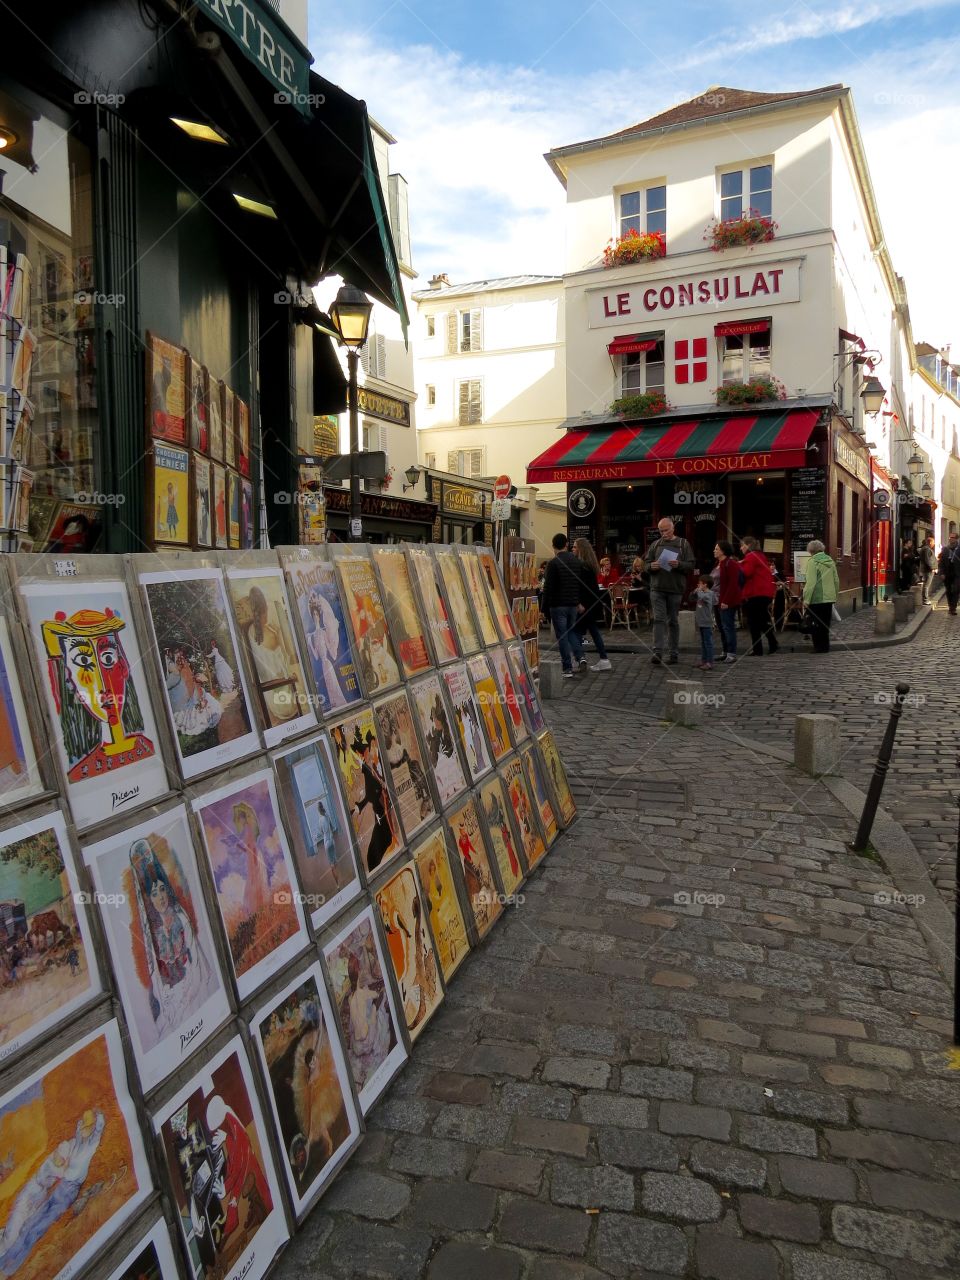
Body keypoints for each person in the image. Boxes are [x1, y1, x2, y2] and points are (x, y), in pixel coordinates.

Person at [644, 518, 695, 665]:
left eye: (666, 530)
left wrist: (679, 564)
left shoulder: (683, 544)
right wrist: (650, 566)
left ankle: (673, 653)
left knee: (672, 621)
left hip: (675, 589)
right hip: (657, 588)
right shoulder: (655, 544)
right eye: (661, 531)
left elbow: (691, 565)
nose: (664, 533)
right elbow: (646, 564)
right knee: (659, 619)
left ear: (673, 529)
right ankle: (657, 652)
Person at [541, 532, 585, 678]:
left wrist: (543, 609)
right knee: (571, 631)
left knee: (562, 636)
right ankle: (580, 657)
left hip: (558, 605)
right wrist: (578, 601)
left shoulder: (553, 563)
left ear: (553, 546)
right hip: (572, 604)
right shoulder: (576, 561)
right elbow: (579, 584)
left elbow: (548, 588)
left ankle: (567, 668)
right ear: (566, 544)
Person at [572, 538, 613, 672]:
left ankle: (581, 658)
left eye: (574, 547)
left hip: (585, 605)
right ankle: (602, 659)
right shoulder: (590, 564)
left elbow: (581, 587)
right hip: (592, 604)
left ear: (580, 549)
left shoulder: (581, 565)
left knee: (577, 631)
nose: (572, 549)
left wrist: (579, 603)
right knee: (593, 631)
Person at [739, 536, 780, 656]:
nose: (741, 548)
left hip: (756, 592)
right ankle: (769, 645)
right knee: (761, 620)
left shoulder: (750, 556)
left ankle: (762, 648)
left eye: (742, 545)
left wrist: (738, 565)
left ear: (747, 545)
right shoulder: (760, 555)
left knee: (754, 622)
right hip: (764, 592)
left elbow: (746, 573)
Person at [801, 539, 840, 653]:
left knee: (815, 624)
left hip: (816, 599)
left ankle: (818, 647)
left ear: (811, 551)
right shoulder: (830, 561)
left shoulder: (812, 562)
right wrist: (834, 596)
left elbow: (811, 583)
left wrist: (806, 599)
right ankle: (825, 647)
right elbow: (836, 580)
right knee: (825, 624)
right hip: (829, 599)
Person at [714, 541, 741, 662]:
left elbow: (733, 584)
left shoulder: (731, 564)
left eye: (717, 549)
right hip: (716, 600)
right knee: (721, 627)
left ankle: (731, 653)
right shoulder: (718, 564)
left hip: (726, 601)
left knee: (728, 627)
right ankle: (725, 651)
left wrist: (726, 600)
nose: (714, 551)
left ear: (723, 551)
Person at [693, 575, 716, 671]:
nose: (698, 585)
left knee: (708, 643)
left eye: (700, 583)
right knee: (703, 642)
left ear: (705, 585)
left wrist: (699, 591)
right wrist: (694, 592)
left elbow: (704, 597)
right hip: (701, 622)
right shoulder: (700, 593)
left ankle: (709, 662)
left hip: (707, 622)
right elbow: (691, 598)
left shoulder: (709, 594)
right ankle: (704, 660)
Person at [938, 532, 960, 615]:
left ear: (956, 538)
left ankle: (953, 608)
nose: (951, 539)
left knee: (956, 590)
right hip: (947, 573)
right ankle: (950, 606)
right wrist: (941, 573)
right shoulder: (945, 549)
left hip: (957, 573)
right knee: (949, 591)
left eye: (953, 537)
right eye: (950, 537)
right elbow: (941, 562)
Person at [919, 535, 937, 605]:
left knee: (926, 585)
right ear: (930, 542)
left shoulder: (926, 549)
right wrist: (932, 568)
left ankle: (925, 599)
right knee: (926, 585)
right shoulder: (927, 549)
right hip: (928, 570)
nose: (934, 544)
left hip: (928, 569)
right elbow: (927, 560)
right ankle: (925, 600)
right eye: (933, 542)